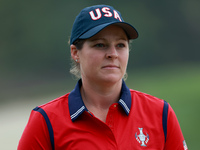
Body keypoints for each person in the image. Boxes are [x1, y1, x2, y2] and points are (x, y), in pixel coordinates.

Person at [18, 5, 188, 150]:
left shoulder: (160, 114)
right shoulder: (46, 120)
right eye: (100, 45)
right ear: (75, 52)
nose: (112, 54)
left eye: (120, 45)